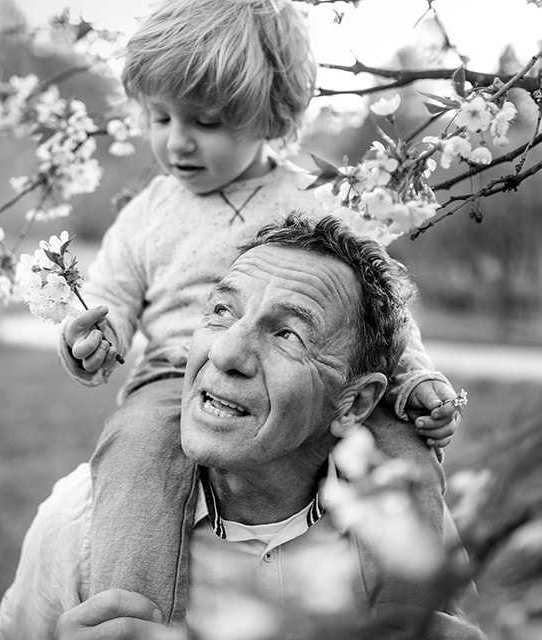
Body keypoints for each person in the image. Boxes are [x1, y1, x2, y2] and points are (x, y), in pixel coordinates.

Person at [57, 0, 464, 604]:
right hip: (179, 375)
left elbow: (382, 312)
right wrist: (93, 335)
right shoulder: (147, 214)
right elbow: (109, 295)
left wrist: (415, 378)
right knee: (138, 448)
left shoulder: (315, 200)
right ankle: (130, 611)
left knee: (402, 446)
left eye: (207, 122)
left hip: (310, 383)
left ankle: (427, 611)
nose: (177, 142)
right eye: (159, 117)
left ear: (270, 118)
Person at [0, 215, 481, 640]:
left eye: (288, 333)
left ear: (356, 402)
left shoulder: (407, 536)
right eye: (222, 311)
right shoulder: (81, 523)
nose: (224, 354)